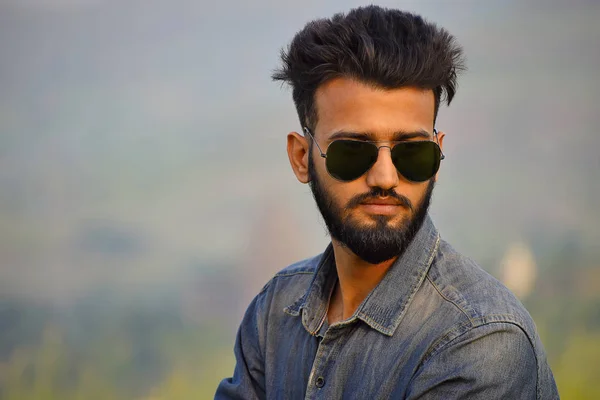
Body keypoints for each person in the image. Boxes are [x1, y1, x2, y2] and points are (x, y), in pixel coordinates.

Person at [215, 5, 559, 399]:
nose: (385, 177)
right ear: (301, 157)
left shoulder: (482, 342)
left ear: (438, 155)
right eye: (352, 151)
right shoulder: (275, 312)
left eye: (412, 152)